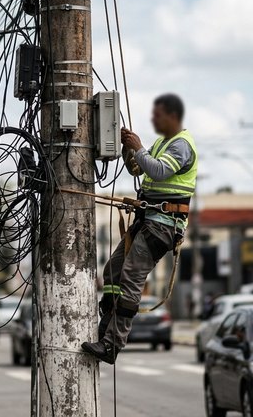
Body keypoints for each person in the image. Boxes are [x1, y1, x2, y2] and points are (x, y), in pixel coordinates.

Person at [82, 94, 198, 364]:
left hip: (163, 227)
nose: (153, 120)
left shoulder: (181, 145)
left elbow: (157, 171)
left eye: (157, 115)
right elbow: (139, 170)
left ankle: (112, 344)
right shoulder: (163, 143)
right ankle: (106, 328)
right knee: (112, 270)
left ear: (172, 116)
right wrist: (128, 150)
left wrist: (140, 147)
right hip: (147, 222)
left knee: (131, 276)